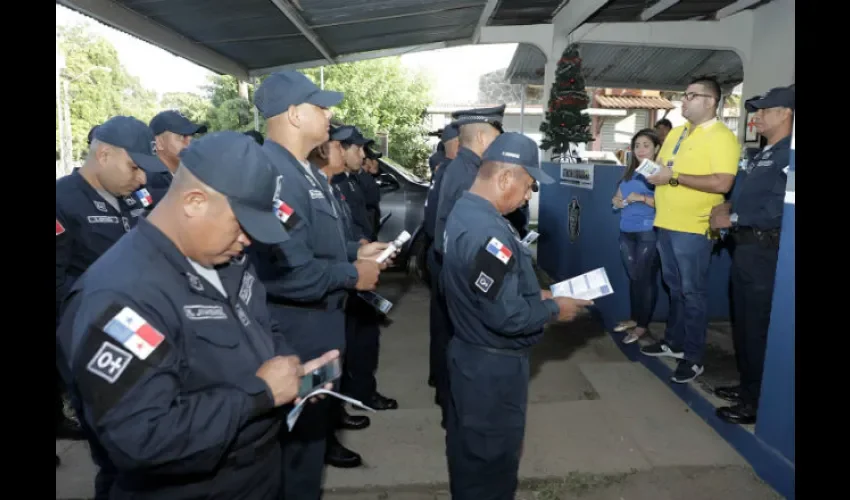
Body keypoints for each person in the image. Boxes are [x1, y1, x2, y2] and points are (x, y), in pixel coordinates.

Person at [56, 131, 340, 499]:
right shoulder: (122, 297)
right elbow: (141, 438)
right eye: (241, 224)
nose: (248, 240)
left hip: (258, 475)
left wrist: (293, 375)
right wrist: (261, 394)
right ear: (193, 201)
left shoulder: (226, 257)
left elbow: (260, 325)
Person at [250, 70, 390, 499]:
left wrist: (355, 252)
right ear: (293, 114)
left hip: (321, 325)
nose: (329, 115)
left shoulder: (305, 173)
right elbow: (287, 271)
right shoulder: (275, 175)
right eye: (320, 106)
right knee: (297, 451)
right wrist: (353, 274)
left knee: (310, 442)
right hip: (296, 331)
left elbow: (315, 243)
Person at [442, 132, 593, 499]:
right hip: (491, 371)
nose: (528, 195)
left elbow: (488, 290)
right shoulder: (487, 232)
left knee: (472, 456)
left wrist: (534, 293)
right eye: (528, 186)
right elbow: (506, 317)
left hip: (472, 359)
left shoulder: (466, 210)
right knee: (490, 467)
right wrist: (555, 307)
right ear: (505, 178)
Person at [642, 76, 740, 383]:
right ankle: (674, 342)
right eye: (684, 95)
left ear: (710, 102)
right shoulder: (678, 133)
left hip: (694, 227)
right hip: (666, 223)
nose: (683, 100)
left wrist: (673, 177)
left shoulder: (722, 136)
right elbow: (663, 168)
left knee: (692, 292)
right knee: (675, 288)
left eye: (692, 96)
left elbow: (723, 183)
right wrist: (655, 174)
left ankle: (694, 357)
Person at [709, 86, 794, 424]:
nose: (756, 116)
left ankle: (756, 402)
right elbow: (749, 197)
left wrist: (733, 218)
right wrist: (730, 207)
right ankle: (747, 386)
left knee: (757, 325)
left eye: (764, 110)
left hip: (764, 250)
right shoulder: (764, 152)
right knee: (743, 323)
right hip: (744, 249)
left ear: (786, 113)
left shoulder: (789, 153)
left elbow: (778, 210)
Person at [431, 105, 505, 421]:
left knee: (450, 335)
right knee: (462, 342)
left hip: (450, 264)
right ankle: (457, 411)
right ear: (481, 136)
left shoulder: (461, 166)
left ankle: (451, 403)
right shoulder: (468, 172)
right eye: (497, 138)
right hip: (461, 268)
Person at [308, 125, 372, 468]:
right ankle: (324, 439)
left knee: (335, 365)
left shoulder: (330, 187)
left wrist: (357, 250)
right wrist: (353, 267)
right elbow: (299, 262)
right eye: (351, 147)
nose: (361, 154)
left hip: (334, 293)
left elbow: (334, 241)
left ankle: (332, 420)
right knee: (318, 376)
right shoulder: (308, 188)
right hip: (318, 300)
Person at [611, 129, 662, 344]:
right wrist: (617, 200)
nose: (641, 149)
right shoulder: (629, 172)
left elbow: (667, 203)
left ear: (656, 148)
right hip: (626, 231)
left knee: (645, 279)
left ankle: (642, 326)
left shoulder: (661, 173)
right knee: (634, 277)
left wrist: (641, 197)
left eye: (646, 145)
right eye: (637, 145)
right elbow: (618, 197)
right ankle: (635, 318)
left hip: (648, 231)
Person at [423, 123, 459, 389]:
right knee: (449, 324)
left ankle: (438, 374)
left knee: (440, 321)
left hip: (435, 251)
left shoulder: (441, 169)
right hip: (445, 255)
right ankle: (445, 379)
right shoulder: (453, 173)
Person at [146, 110, 208, 203]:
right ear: (159, 143)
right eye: (183, 136)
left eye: (192, 137)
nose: (190, 143)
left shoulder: (185, 175)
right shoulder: (150, 182)